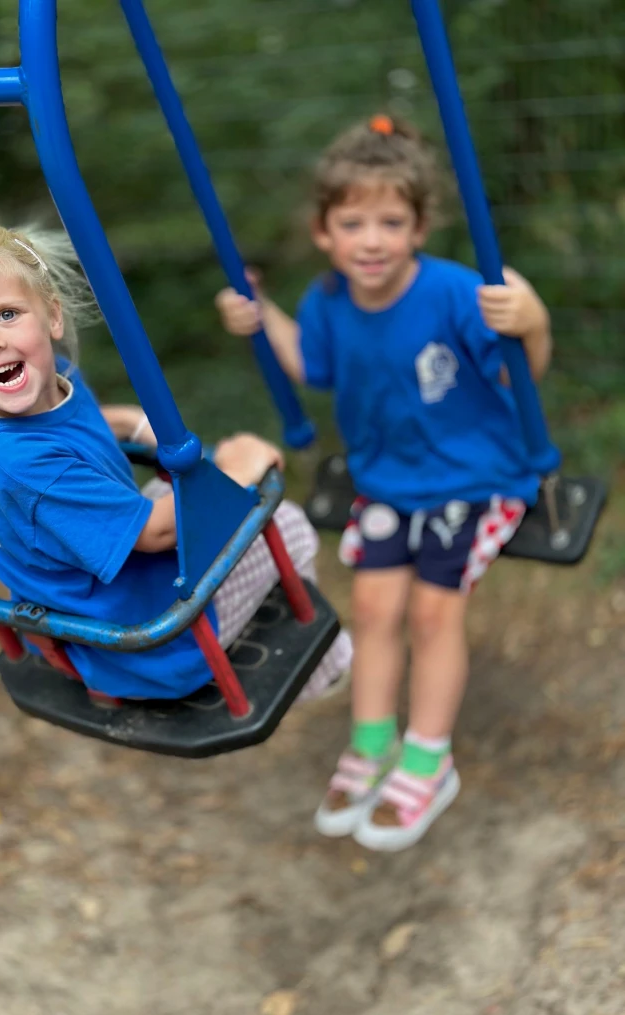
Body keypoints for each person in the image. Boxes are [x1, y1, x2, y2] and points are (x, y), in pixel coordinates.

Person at [214, 115, 552, 851]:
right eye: (354, 222)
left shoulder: (459, 294)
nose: (372, 239)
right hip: (388, 484)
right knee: (372, 608)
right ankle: (371, 744)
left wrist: (533, 322)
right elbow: (311, 365)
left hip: (478, 480)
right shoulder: (328, 302)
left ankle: (429, 758)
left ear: (420, 228)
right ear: (325, 231)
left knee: (433, 614)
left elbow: (520, 379)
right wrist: (259, 315)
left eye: (391, 221)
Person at [0, 223, 352, 704]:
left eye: (6, 314)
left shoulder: (49, 384)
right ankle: (325, 668)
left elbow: (86, 419)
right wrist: (240, 469)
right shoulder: (22, 465)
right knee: (286, 521)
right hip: (143, 638)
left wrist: (134, 425)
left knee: (182, 498)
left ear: (51, 316)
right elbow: (155, 533)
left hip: (115, 584)